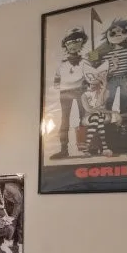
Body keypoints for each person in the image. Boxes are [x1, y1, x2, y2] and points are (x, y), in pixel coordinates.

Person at [50, 29, 88, 159]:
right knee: (64, 121)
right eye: (69, 43)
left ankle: (84, 147)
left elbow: (90, 74)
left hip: (80, 91)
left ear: (81, 43)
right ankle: (63, 149)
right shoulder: (62, 64)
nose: (72, 46)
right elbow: (57, 78)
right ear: (66, 45)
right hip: (65, 93)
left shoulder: (85, 61)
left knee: (83, 118)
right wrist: (59, 86)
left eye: (76, 42)